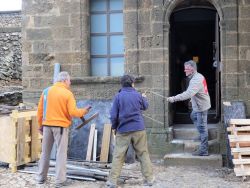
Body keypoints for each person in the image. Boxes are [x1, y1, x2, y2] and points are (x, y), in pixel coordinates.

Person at [36, 71, 91, 187]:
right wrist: (84, 111)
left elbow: (40, 110)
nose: (70, 83)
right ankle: (60, 180)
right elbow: (73, 112)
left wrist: (40, 125)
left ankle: (41, 177)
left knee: (45, 152)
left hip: (46, 126)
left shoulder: (46, 91)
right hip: (60, 127)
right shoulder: (67, 93)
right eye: (69, 80)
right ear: (65, 80)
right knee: (61, 153)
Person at [106, 75, 154, 188]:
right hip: (138, 128)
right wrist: (144, 97)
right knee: (143, 153)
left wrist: (114, 127)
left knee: (118, 155)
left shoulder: (118, 96)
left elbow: (113, 115)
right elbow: (145, 106)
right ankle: (149, 179)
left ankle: (112, 181)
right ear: (132, 83)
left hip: (123, 130)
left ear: (122, 84)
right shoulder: (137, 95)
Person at [167, 60, 211, 156]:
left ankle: (204, 150)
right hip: (199, 105)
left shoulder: (196, 80)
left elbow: (188, 93)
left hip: (201, 107)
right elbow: (197, 92)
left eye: (186, 69)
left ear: (192, 69)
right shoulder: (197, 76)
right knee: (193, 116)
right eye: (184, 69)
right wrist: (193, 99)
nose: (184, 71)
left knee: (203, 128)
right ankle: (202, 134)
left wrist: (174, 99)